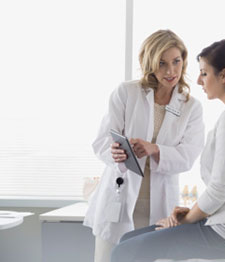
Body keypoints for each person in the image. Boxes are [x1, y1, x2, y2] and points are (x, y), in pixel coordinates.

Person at [111, 39, 225, 262]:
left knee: (124, 251)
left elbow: (219, 189)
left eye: (204, 74)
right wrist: (191, 212)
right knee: (128, 240)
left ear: (224, 76)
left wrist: (187, 219)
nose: (198, 80)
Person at [83, 29, 205, 262]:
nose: (171, 71)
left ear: (184, 60)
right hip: (120, 197)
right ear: (150, 62)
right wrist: (115, 153)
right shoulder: (127, 92)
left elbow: (188, 156)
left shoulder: (191, 107)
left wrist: (155, 149)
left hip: (159, 201)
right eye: (162, 63)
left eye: (176, 61)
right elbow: (101, 142)